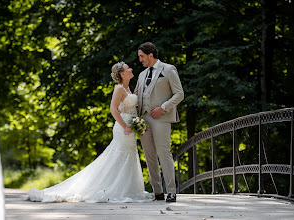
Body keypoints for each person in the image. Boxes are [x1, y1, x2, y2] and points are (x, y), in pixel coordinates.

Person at [23, 62, 153, 203]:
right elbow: (113, 109)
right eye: (128, 68)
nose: (131, 69)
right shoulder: (119, 88)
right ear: (122, 74)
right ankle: (109, 189)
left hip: (131, 128)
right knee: (119, 156)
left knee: (129, 156)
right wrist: (125, 126)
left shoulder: (128, 88)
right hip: (124, 129)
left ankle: (128, 190)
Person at [134, 42, 184, 202]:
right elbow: (136, 95)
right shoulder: (141, 75)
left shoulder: (168, 69)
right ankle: (157, 191)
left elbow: (179, 94)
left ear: (150, 55)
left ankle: (171, 191)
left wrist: (163, 107)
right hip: (143, 119)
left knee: (164, 153)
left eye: (142, 56)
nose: (140, 60)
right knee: (149, 156)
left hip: (161, 118)